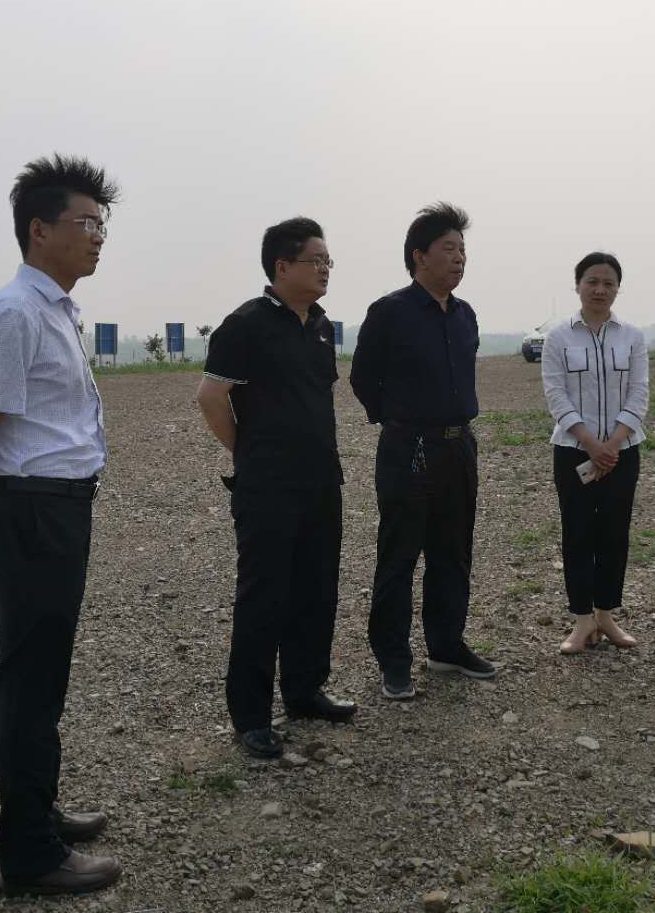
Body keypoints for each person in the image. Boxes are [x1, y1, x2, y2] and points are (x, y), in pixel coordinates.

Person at [0, 154, 122, 894]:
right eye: (85, 222)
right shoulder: (14, 312)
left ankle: (39, 811)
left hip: (55, 506)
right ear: (38, 229)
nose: (98, 236)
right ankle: (28, 855)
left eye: (102, 224)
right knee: (28, 681)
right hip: (30, 512)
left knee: (45, 675)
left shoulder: (56, 308)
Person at [196, 217, 355, 760]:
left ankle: (305, 690)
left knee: (317, 589)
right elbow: (210, 397)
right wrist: (246, 452)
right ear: (282, 266)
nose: (325, 269)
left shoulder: (322, 326)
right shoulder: (245, 325)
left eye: (329, 261)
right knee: (264, 597)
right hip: (268, 486)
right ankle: (251, 716)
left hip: (321, 480)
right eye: (316, 260)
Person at [350, 202, 496, 700]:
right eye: (448, 249)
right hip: (408, 447)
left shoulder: (465, 314)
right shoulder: (389, 311)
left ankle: (446, 645)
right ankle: (394, 661)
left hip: (459, 445)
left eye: (463, 250)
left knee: (453, 552)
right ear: (419, 256)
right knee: (399, 556)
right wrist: (396, 419)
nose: (459, 258)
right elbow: (363, 378)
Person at [540, 253, 649, 654]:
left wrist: (613, 443)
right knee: (578, 532)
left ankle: (606, 614)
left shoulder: (632, 337)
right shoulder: (558, 338)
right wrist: (590, 442)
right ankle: (582, 619)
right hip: (573, 451)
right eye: (592, 281)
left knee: (615, 534)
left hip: (623, 452)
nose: (600, 289)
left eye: (608, 282)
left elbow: (639, 392)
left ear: (618, 288)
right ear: (578, 285)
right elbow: (556, 394)